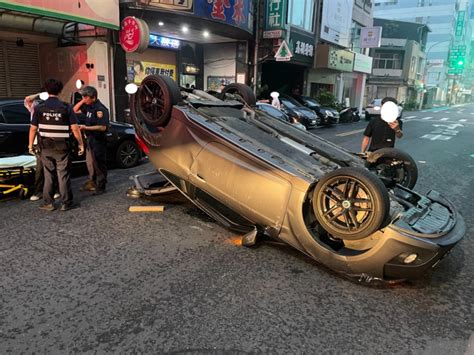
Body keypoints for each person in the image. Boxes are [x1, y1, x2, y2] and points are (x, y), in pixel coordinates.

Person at [28, 79, 84, 211]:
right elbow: (75, 128)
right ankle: (66, 203)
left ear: (46, 91)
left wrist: (30, 145)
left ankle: (48, 203)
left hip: (45, 146)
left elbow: (33, 128)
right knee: (63, 174)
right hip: (62, 147)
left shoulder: (38, 108)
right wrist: (81, 144)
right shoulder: (66, 107)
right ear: (60, 91)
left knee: (48, 175)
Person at [73, 86, 110, 195]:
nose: (83, 99)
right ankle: (92, 182)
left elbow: (102, 127)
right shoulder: (88, 106)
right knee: (90, 163)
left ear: (93, 97)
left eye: (85, 97)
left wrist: (86, 128)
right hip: (90, 139)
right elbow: (74, 110)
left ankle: (101, 186)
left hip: (98, 140)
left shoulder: (100, 109)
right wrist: (82, 101)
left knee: (99, 163)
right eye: (82, 97)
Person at [24, 93, 60, 201]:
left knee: (53, 166)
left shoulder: (54, 106)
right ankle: (38, 191)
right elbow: (27, 99)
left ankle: (56, 190)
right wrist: (40, 94)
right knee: (40, 168)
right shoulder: (36, 107)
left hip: (51, 140)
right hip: (39, 142)